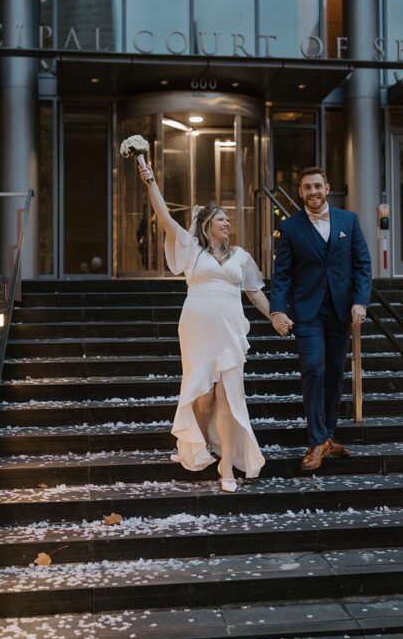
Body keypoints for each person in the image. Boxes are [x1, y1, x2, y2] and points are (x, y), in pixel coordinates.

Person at [138, 160, 284, 491]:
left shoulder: (242, 256)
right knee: (203, 395)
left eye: (229, 219)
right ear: (206, 225)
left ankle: (227, 467)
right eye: (221, 218)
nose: (227, 223)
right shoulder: (190, 249)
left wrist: (275, 315)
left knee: (229, 395)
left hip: (230, 329)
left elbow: (255, 292)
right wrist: (150, 181)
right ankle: (199, 443)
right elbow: (165, 218)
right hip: (197, 329)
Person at [270, 166, 372, 473]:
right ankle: (316, 441)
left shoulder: (348, 221)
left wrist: (360, 302)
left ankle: (328, 435)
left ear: (327, 188)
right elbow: (282, 274)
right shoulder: (290, 228)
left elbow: (363, 264)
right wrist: (278, 310)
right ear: (300, 193)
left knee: (334, 374)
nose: (313, 192)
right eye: (306, 188)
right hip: (308, 312)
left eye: (317, 186)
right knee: (313, 368)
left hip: (341, 311)